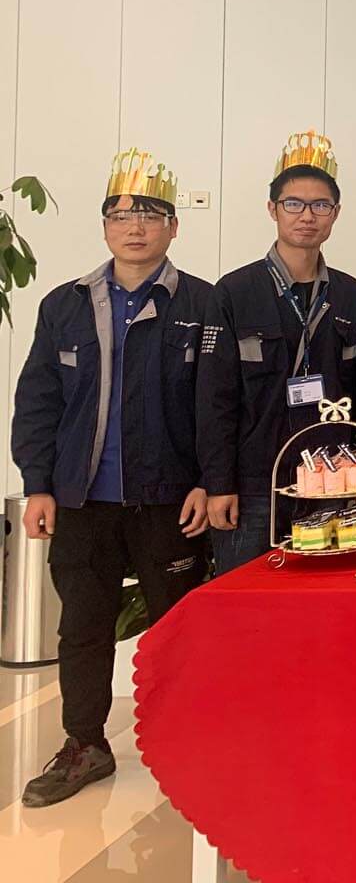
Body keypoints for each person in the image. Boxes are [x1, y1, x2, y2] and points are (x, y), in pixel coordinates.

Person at [11, 150, 217, 807]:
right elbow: (38, 400)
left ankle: (187, 742)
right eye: (121, 214)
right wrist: (38, 483)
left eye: (150, 214)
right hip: (82, 500)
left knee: (178, 629)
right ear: (105, 226)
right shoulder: (65, 306)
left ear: (173, 227)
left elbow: (218, 404)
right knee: (85, 625)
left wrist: (209, 483)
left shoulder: (204, 304)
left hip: (169, 503)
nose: (135, 227)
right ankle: (84, 744)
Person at [200, 131, 356, 572]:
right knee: (246, 610)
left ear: (336, 214)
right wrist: (219, 484)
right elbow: (214, 398)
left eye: (320, 206)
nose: (307, 216)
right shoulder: (234, 292)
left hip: (329, 481)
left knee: (322, 606)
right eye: (294, 204)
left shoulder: (349, 295)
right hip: (255, 485)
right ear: (272, 209)